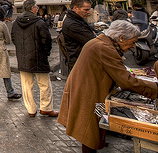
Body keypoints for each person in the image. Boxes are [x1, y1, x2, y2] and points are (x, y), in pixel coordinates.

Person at [58, 20, 158, 153]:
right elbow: (126, 81)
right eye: (133, 42)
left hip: (89, 91)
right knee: (89, 131)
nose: (134, 46)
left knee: (92, 130)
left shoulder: (101, 43)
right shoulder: (104, 48)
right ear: (121, 38)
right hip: (89, 94)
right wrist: (155, 88)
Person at [11, 0, 57, 117]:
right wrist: (45, 52)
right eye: (36, 7)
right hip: (38, 56)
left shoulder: (16, 22)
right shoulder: (39, 22)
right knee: (44, 84)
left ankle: (31, 109)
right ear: (32, 8)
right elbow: (46, 40)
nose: (37, 9)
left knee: (26, 85)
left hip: (23, 57)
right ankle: (46, 107)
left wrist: (21, 50)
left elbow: (13, 38)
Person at [61, 0, 96, 73]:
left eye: (89, 9)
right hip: (80, 62)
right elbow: (91, 39)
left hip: (82, 60)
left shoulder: (77, 19)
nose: (88, 12)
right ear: (75, 8)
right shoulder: (72, 24)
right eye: (86, 10)